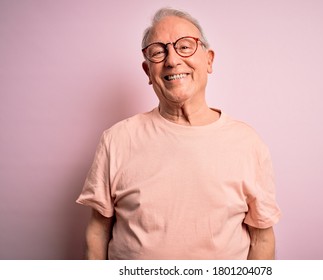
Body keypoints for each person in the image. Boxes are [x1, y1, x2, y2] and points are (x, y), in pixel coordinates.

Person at [76, 7, 281, 260]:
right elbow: (97, 232)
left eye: (185, 46)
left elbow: (261, 238)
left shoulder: (248, 143)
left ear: (209, 60)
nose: (172, 60)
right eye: (158, 52)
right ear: (148, 71)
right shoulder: (116, 140)